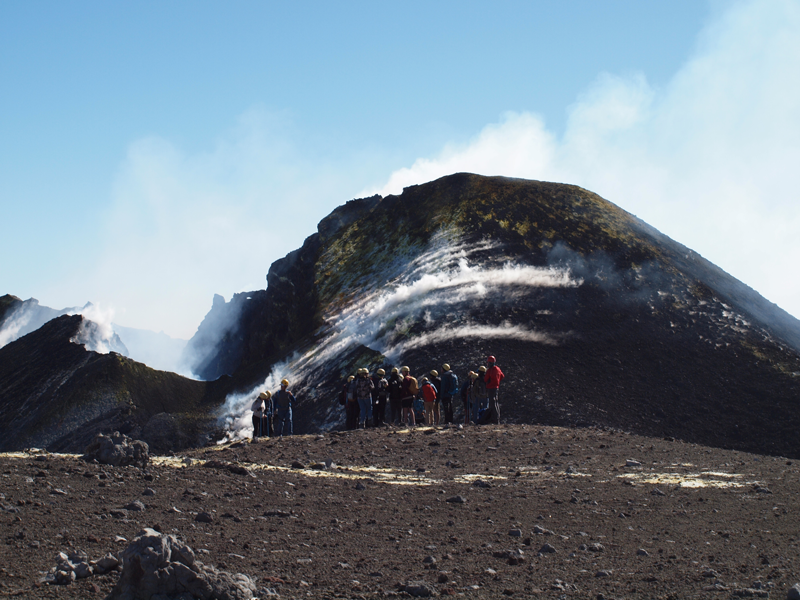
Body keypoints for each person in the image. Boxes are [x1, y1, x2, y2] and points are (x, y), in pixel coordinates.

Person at [484, 355, 505, 424]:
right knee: (496, 403)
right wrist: (497, 382)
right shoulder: (498, 369)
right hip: (496, 388)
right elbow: (502, 376)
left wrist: (490, 382)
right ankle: (496, 418)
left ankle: (494, 419)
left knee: (492, 403)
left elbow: (485, 379)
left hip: (491, 388)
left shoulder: (490, 370)